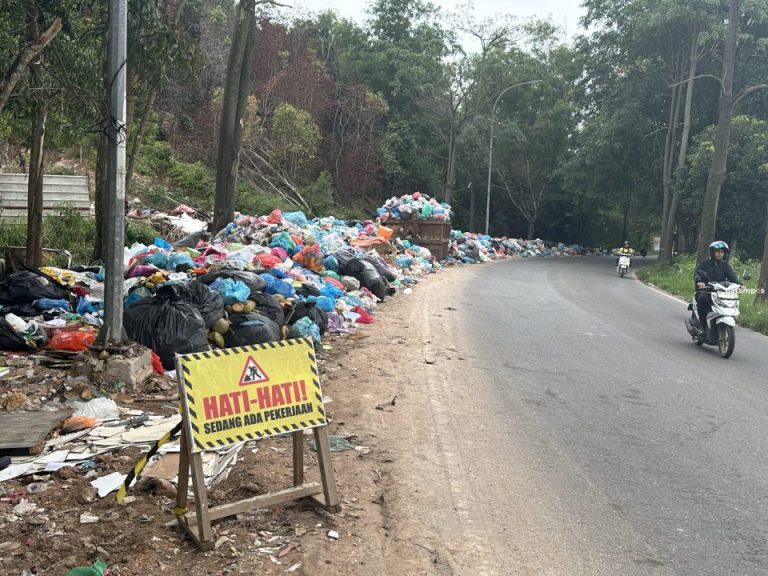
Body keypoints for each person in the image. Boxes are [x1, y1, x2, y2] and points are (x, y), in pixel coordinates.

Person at [693, 240, 739, 336]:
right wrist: (699, 282)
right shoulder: (705, 264)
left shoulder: (725, 265)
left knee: (733, 299)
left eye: (722, 252)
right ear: (713, 252)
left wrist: (740, 284)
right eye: (717, 251)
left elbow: (732, 276)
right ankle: (703, 326)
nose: (719, 253)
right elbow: (698, 273)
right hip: (707, 290)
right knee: (702, 300)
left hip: (721, 291)